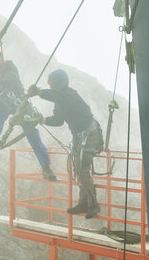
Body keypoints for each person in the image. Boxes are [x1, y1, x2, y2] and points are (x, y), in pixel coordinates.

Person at [0, 42, 56, 180]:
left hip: (19, 102)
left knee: (31, 133)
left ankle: (46, 166)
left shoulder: (9, 66)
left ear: (1, 57)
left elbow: (9, 79)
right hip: (1, 102)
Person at [27, 69, 103, 219]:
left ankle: (93, 204)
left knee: (82, 169)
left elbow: (56, 97)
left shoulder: (68, 95)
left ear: (57, 83)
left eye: (52, 83)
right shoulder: (61, 99)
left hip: (89, 135)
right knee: (79, 168)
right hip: (82, 136)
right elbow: (58, 120)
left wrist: (39, 92)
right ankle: (84, 203)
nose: (51, 86)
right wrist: (43, 120)